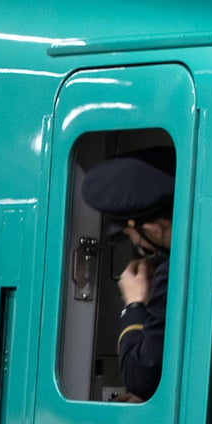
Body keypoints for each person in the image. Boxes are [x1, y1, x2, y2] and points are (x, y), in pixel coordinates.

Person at [82, 147, 175, 400]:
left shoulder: (171, 275)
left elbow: (140, 376)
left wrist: (134, 304)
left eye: (133, 236)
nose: (138, 246)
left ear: (154, 228)